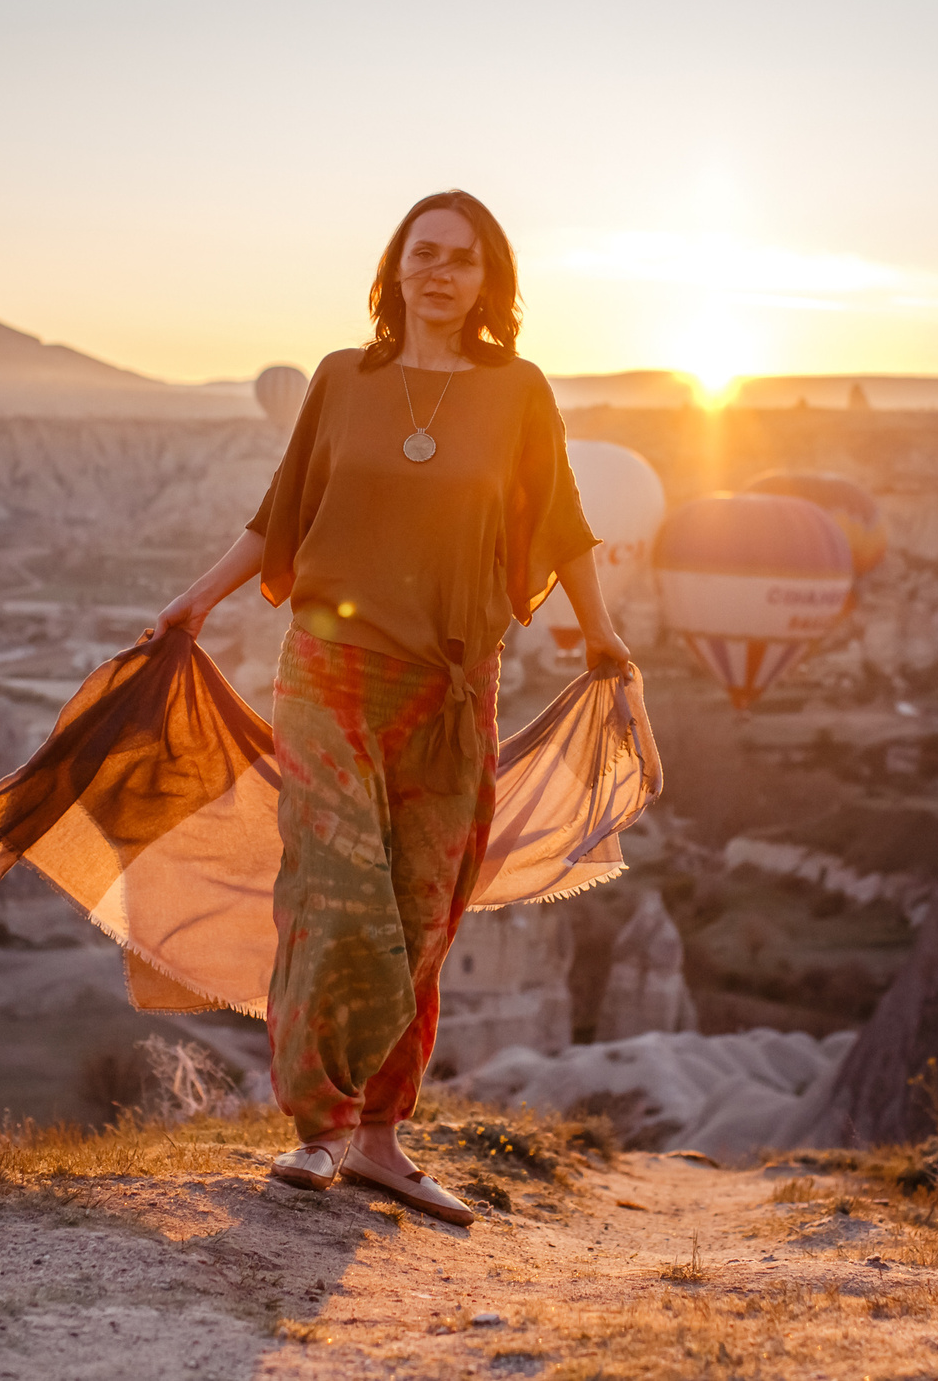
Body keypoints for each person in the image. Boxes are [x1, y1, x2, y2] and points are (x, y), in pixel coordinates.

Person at [147, 189, 630, 1224]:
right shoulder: (340, 379)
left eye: (461, 258)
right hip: (330, 671)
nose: (439, 272)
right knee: (336, 894)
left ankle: (379, 1141)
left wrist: (597, 631)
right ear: (395, 267)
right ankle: (316, 1134)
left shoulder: (517, 390)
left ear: (487, 280)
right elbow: (281, 513)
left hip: (456, 686)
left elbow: (561, 524)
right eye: (423, 254)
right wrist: (194, 600)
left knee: (420, 914)